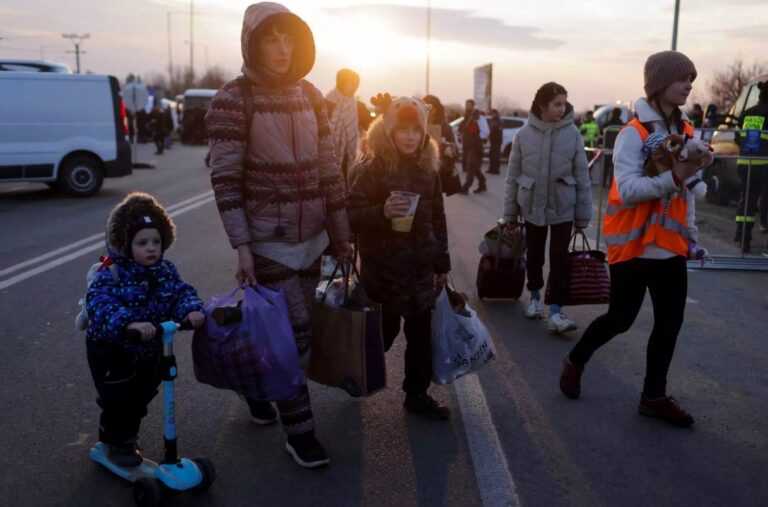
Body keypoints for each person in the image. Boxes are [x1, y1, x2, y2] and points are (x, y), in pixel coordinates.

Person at [205, 2, 353, 469]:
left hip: (313, 240)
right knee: (294, 338)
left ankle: (257, 388)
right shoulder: (233, 99)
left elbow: (331, 171)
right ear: (252, 42)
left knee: (290, 333)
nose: (282, 48)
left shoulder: (311, 95)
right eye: (271, 38)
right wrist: (242, 247)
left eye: (288, 38)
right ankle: (301, 433)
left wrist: (342, 235)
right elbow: (225, 181)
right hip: (268, 242)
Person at [561, 51, 714, 428]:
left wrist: (691, 238)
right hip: (632, 247)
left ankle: (653, 396)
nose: (688, 85)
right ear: (659, 82)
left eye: (691, 79)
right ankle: (576, 359)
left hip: (670, 248)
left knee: (669, 323)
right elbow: (627, 189)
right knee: (620, 318)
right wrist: (673, 178)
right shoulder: (635, 133)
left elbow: (688, 195)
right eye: (682, 78)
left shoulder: (688, 134)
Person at [348, 95, 452, 420]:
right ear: (389, 130)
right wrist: (381, 212)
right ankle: (356, 371)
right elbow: (350, 214)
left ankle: (417, 395)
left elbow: (437, 216)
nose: (409, 136)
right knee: (384, 334)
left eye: (415, 130)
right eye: (402, 129)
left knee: (421, 337)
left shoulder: (427, 169)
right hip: (384, 273)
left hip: (420, 270)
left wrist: (441, 262)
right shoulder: (371, 167)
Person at [85, 192, 205, 467]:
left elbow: (179, 292)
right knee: (118, 398)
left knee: (142, 395)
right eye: (142, 243)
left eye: (156, 241)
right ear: (126, 245)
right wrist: (128, 323)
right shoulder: (112, 273)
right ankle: (118, 442)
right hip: (112, 348)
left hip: (150, 347)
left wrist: (191, 310)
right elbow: (99, 303)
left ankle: (121, 434)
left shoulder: (165, 270)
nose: (151, 248)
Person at [503, 82, 592, 334]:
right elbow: (512, 175)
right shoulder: (523, 135)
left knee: (560, 258)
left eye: (564, 103)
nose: (562, 109)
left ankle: (556, 309)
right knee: (534, 255)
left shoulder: (573, 134)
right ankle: (534, 298)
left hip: (563, 205)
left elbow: (582, 176)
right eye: (557, 104)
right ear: (542, 105)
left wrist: (583, 215)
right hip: (531, 205)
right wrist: (509, 213)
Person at [733, 81, 768, 252]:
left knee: (746, 200)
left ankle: (742, 237)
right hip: (765, 165)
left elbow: (737, 138)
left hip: (746, 163)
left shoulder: (747, 113)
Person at [326, 68, 361, 185]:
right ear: (340, 82)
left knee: (346, 176)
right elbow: (325, 122)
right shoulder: (330, 99)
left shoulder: (353, 102)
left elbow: (357, 124)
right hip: (331, 146)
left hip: (347, 148)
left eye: (354, 84)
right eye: (348, 83)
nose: (351, 87)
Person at [423, 94, 460, 194]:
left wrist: (447, 147)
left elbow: (455, 151)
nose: (428, 111)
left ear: (436, 109)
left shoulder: (444, 127)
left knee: (434, 202)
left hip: (437, 171)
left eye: (430, 107)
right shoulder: (417, 125)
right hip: (418, 171)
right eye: (425, 107)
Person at [459, 99, 489, 193]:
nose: (467, 106)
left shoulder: (478, 116)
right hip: (468, 145)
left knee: (471, 166)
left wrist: (477, 139)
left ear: (473, 106)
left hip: (475, 146)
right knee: (474, 167)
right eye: (466, 104)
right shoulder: (466, 116)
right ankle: (482, 183)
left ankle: (466, 187)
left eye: (469, 105)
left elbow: (486, 131)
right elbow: (463, 129)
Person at [487, 109, 504, 174]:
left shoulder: (499, 121)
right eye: (492, 114)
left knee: (496, 156)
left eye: (493, 113)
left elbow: (499, 130)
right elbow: (491, 130)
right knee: (491, 155)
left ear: (496, 114)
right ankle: (491, 169)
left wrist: (494, 129)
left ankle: (496, 170)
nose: (492, 115)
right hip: (493, 140)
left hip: (497, 140)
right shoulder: (492, 120)